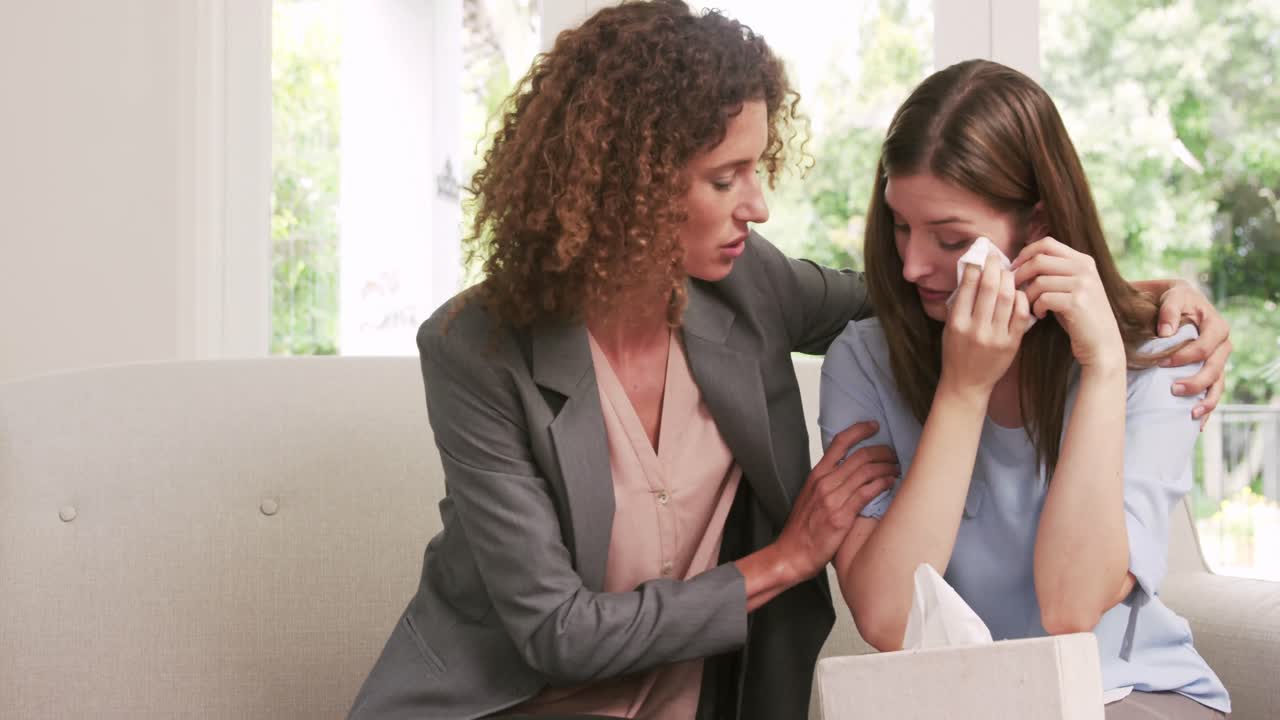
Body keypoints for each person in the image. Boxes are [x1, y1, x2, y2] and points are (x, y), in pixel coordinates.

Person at [350, 3, 1232, 718]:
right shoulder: (475, 349)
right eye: (725, 177)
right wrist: (785, 559)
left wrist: (1131, 302)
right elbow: (558, 634)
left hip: (704, 697)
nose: (760, 204)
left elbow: (901, 293)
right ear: (634, 181)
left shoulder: (748, 287)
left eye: (758, 167)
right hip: (509, 700)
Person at [822, 59, 1231, 719]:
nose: (911, 265)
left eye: (952, 239)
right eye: (900, 225)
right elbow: (890, 619)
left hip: (1129, 693)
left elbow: (1070, 607)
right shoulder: (864, 361)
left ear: (1036, 226)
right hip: (957, 702)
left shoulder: (1159, 361)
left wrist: (1100, 368)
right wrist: (962, 392)